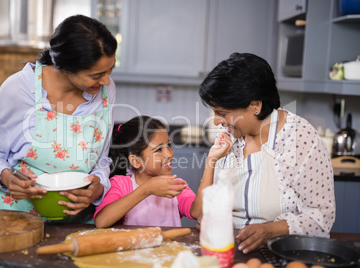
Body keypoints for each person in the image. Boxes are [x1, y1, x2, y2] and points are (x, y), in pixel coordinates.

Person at [0, 15, 118, 223]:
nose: (106, 80)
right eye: (96, 75)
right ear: (66, 66)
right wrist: (7, 177)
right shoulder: (18, 89)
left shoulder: (105, 92)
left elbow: (102, 160)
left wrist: (99, 185)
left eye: (110, 70)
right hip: (17, 221)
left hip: (76, 222)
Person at [198, 52, 335, 253]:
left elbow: (321, 217)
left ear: (255, 106)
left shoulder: (300, 138)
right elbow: (212, 199)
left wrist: (269, 230)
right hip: (226, 247)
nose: (217, 121)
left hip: (280, 250)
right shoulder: (228, 134)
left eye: (222, 113)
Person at [93, 115, 231, 228]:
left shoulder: (175, 185)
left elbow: (197, 212)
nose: (169, 154)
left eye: (169, 145)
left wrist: (211, 161)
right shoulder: (120, 184)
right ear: (136, 161)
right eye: (159, 149)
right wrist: (146, 190)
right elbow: (101, 222)